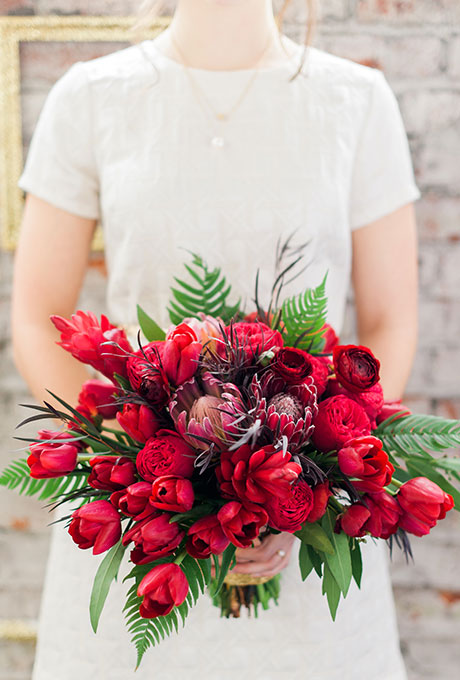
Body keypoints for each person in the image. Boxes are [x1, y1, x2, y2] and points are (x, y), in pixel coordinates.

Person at [12, 1, 420, 678]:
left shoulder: (356, 102)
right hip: (148, 531)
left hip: (304, 531)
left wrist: (317, 475)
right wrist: (132, 457)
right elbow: (37, 315)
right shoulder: (90, 98)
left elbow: (389, 322)